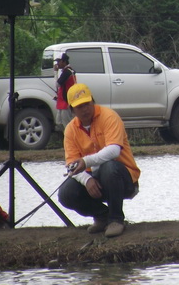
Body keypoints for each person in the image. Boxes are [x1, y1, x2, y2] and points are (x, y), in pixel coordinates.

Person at [58, 83, 140, 238]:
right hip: (95, 181)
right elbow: (71, 165)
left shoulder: (109, 116)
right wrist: (87, 180)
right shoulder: (70, 130)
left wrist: (86, 161)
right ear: (71, 109)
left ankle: (116, 219)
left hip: (123, 178)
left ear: (93, 101)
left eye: (87, 104)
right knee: (65, 193)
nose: (85, 109)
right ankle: (103, 216)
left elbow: (114, 150)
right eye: (79, 106)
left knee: (109, 167)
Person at [53, 53, 76, 131]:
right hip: (62, 101)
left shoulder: (67, 72)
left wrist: (55, 72)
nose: (57, 64)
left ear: (64, 61)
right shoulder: (68, 71)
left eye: (58, 61)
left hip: (66, 102)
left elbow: (57, 84)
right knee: (59, 122)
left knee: (67, 125)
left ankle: (70, 140)